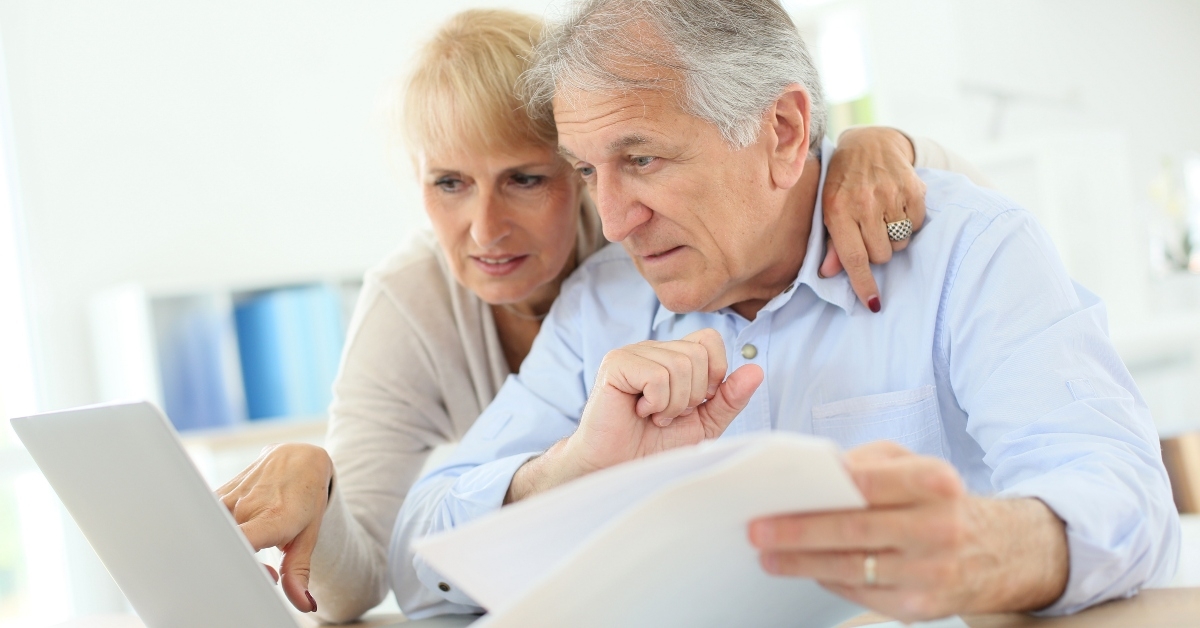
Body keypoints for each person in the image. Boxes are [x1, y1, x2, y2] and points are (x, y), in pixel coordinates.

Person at [392, 0, 1180, 623]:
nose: (615, 218)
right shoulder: (602, 306)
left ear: (783, 130)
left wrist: (985, 548)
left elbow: (1126, 500)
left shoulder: (963, 251)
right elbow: (419, 557)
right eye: (588, 171)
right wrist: (571, 471)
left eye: (641, 160)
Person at [215, 7, 988, 623]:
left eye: (526, 179)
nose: (485, 231)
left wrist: (878, 144)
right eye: (448, 183)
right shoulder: (415, 304)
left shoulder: (635, 254)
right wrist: (318, 483)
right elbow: (391, 568)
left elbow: (943, 212)